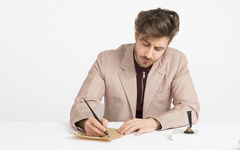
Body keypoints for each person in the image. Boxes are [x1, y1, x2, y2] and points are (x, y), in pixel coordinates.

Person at [70, 8, 200, 136]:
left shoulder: (177, 61)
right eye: (145, 44)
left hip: (156, 139)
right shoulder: (106, 60)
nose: (149, 54)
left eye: (158, 48)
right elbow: (82, 103)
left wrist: (154, 122)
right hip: (115, 139)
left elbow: (190, 108)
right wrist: (85, 122)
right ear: (136, 35)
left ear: (168, 44)